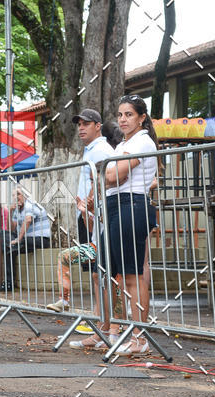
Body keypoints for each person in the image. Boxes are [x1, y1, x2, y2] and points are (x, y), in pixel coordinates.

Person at [101, 94, 159, 355]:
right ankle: (121, 331)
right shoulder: (124, 144)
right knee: (118, 275)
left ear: (142, 118)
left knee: (133, 275)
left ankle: (139, 337)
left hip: (131, 205)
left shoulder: (142, 141)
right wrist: (110, 175)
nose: (123, 119)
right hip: (117, 205)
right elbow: (109, 176)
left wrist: (108, 173)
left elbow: (114, 174)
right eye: (120, 115)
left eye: (129, 115)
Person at [47, 109, 117, 319]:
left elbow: (103, 181)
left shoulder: (101, 150)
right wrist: (85, 210)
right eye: (79, 124)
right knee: (94, 273)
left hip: (101, 220)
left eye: (86, 124)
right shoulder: (92, 149)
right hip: (91, 218)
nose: (81, 128)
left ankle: (109, 322)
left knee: (103, 275)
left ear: (98, 126)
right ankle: (82, 310)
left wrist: (90, 206)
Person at [0, 188, 51, 292]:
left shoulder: (30, 204)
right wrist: (10, 212)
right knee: (3, 236)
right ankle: (9, 283)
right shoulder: (17, 209)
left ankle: (12, 246)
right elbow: (11, 228)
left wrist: (18, 239)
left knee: (13, 245)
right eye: (13, 195)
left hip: (40, 239)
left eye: (18, 194)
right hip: (26, 240)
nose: (16, 197)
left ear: (25, 196)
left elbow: (27, 220)